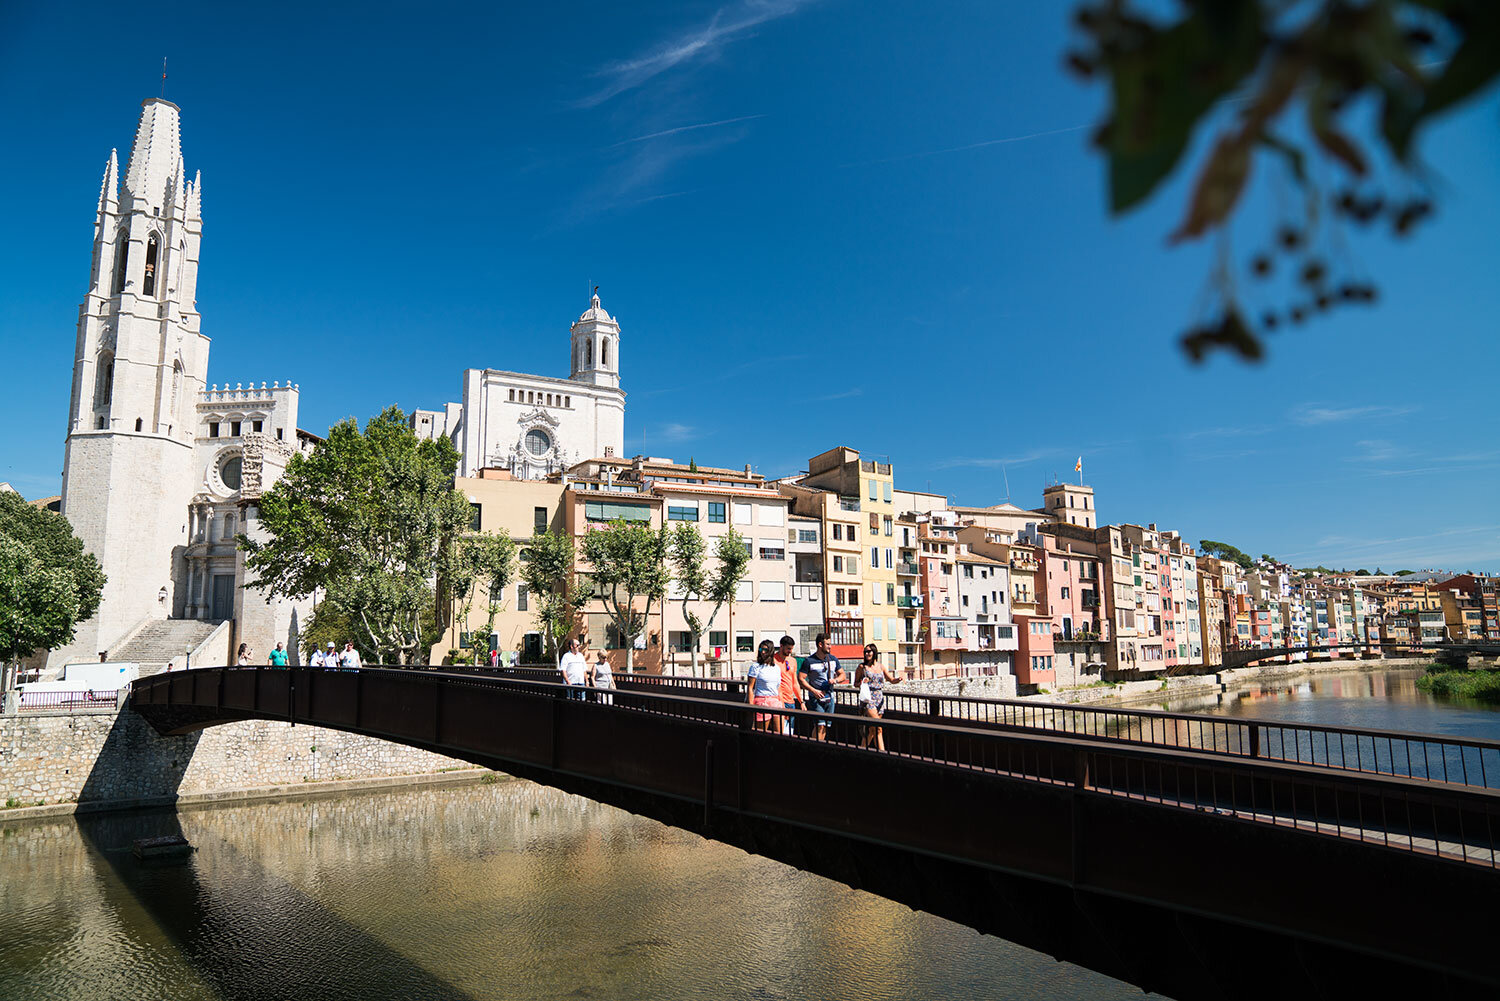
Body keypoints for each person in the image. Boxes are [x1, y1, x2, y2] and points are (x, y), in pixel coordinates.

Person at [797, 633, 849, 741]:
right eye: (828, 644)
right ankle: (817, 746)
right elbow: (801, 678)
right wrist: (813, 690)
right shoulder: (809, 661)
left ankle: (819, 745)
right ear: (820, 644)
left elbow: (843, 675)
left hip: (829, 697)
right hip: (816, 698)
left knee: (825, 726)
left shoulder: (833, 659)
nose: (830, 647)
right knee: (819, 725)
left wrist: (835, 680)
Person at [854, 644, 903, 751]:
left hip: (879, 698)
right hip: (868, 698)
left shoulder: (881, 666)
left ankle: (861, 750)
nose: (867, 654)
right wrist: (862, 682)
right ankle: (883, 754)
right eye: (865, 652)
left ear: (874, 652)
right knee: (878, 728)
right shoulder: (862, 667)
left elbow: (890, 679)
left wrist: (897, 680)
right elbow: (855, 683)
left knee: (872, 730)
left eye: (869, 651)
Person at [745, 639, 783, 732]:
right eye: (761, 649)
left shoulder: (776, 668)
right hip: (762, 700)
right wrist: (751, 706)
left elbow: (779, 687)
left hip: (775, 700)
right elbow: (750, 687)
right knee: (761, 733)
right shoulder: (755, 667)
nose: (762, 652)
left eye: (765, 650)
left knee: (780, 733)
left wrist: (782, 704)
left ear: (771, 651)